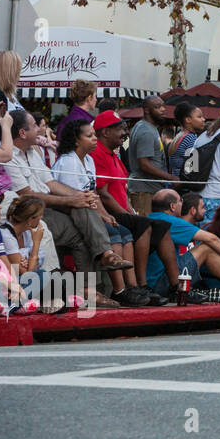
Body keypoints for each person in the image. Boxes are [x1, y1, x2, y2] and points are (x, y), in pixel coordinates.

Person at [4, 109, 131, 283]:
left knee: (83, 206)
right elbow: (28, 196)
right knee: (81, 225)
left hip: (49, 208)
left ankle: (102, 266)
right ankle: (93, 284)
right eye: (35, 125)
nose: (40, 129)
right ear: (22, 133)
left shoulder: (33, 153)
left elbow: (51, 184)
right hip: (31, 212)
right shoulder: (9, 157)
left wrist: (81, 196)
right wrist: (73, 199)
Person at [53, 118, 149, 305]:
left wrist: (106, 215)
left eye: (94, 135)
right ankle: (119, 289)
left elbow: (92, 194)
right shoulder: (68, 162)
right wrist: (101, 217)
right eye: (89, 136)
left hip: (86, 209)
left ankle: (132, 287)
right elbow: (79, 198)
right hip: (68, 210)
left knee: (125, 233)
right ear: (76, 140)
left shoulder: (88, 160)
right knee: (113, 234)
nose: (95, 139)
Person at [90, 109, 177, 302]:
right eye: (118, 128)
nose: (124, 132)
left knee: (163, 227)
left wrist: (131, 211)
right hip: (110, 212)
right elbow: (103, 194)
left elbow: (123, 189)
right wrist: (128, 215)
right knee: (142, 225)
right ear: (104, 132)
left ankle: (176, 286)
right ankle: (139, 285)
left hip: (122, 210)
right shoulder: (98, 154)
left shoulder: (115, 156)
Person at [128, 95, 178, 214]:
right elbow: (144, 164)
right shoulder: (145, 131)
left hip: (150, 189)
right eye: (157, 107)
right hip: (144, 191)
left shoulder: (149, 127)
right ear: (146, 110)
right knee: (145, 228)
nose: (163, 110)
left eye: (163, 106)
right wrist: (170, 177)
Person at [169, 102, 205, 179]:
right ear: (188, 120)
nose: (203, 119)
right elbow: (193, 167)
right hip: (184, 184)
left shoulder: (178, 135)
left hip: (175, 181)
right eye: (199, 117)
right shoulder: (190, 138)